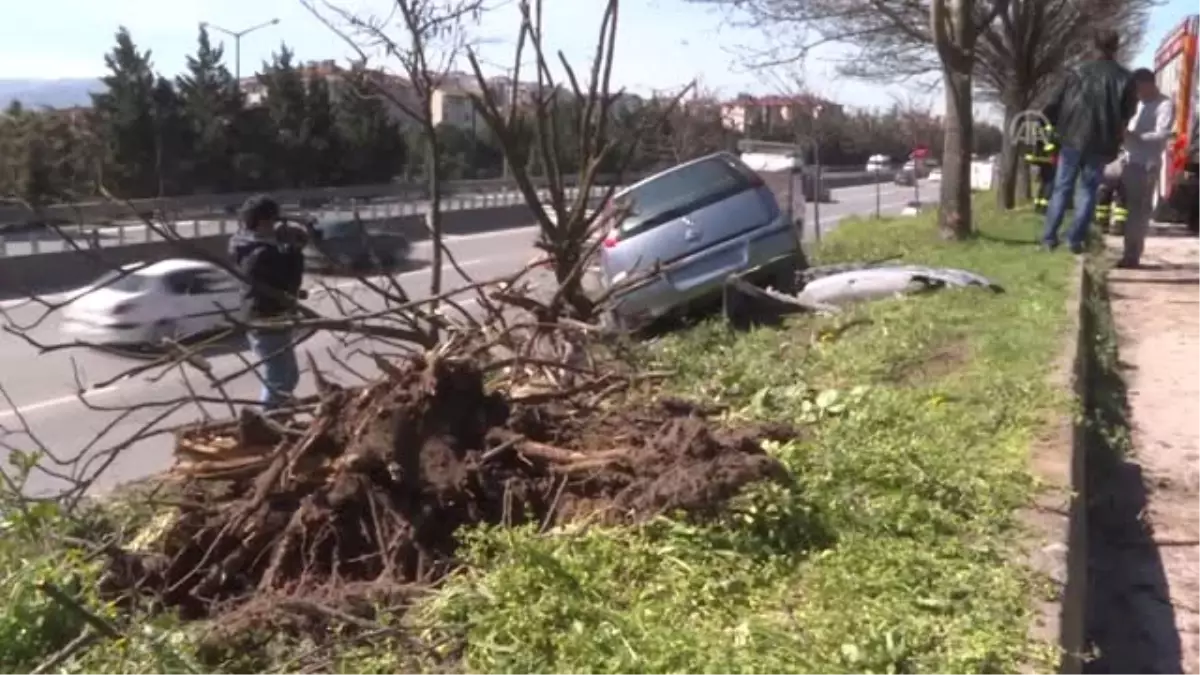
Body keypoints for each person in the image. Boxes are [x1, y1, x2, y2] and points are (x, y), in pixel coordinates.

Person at [1039, 29, 1138, 253]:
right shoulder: (1125, 78)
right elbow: (1128, 112)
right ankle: (1074, 239)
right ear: (1117, 47)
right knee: (1088, 189)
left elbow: (1053, 103)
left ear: (1093, 46)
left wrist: (1052, 128)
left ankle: (1048, 239)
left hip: (1071, 138)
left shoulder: (1076, 72)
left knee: (1062, 187)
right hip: (1102, 142)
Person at [229, 194, 311, 410]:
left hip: (264, 318)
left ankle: (275, 417)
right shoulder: (263, 253)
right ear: (264, 222)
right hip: (267, 320)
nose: (277, 226)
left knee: (287, 376)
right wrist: (295, 252)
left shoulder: (244, 243)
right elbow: (288, 283)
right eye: (274, 221)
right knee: (280, 379)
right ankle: (269, 423)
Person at [1117, 67, 1175, 267]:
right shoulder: (1136, 103)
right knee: (1121, 204)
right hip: (1126, 159)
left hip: (1145, 164)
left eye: (1140, 88)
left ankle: (1132, 255)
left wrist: (1136, 137)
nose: (1137, 92)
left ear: (1149, 84)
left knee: (1137, 211)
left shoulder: (1164, 105)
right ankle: (1128, 252)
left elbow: (1163, 133)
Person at [1024, 121, 1059, 213]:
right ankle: (1042, 207)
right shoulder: (1049, 136)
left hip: (1047, 165)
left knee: (1044, 185)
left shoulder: (1043, 136)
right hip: (1048, 165)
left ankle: (1039, 206)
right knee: (1047, 185)